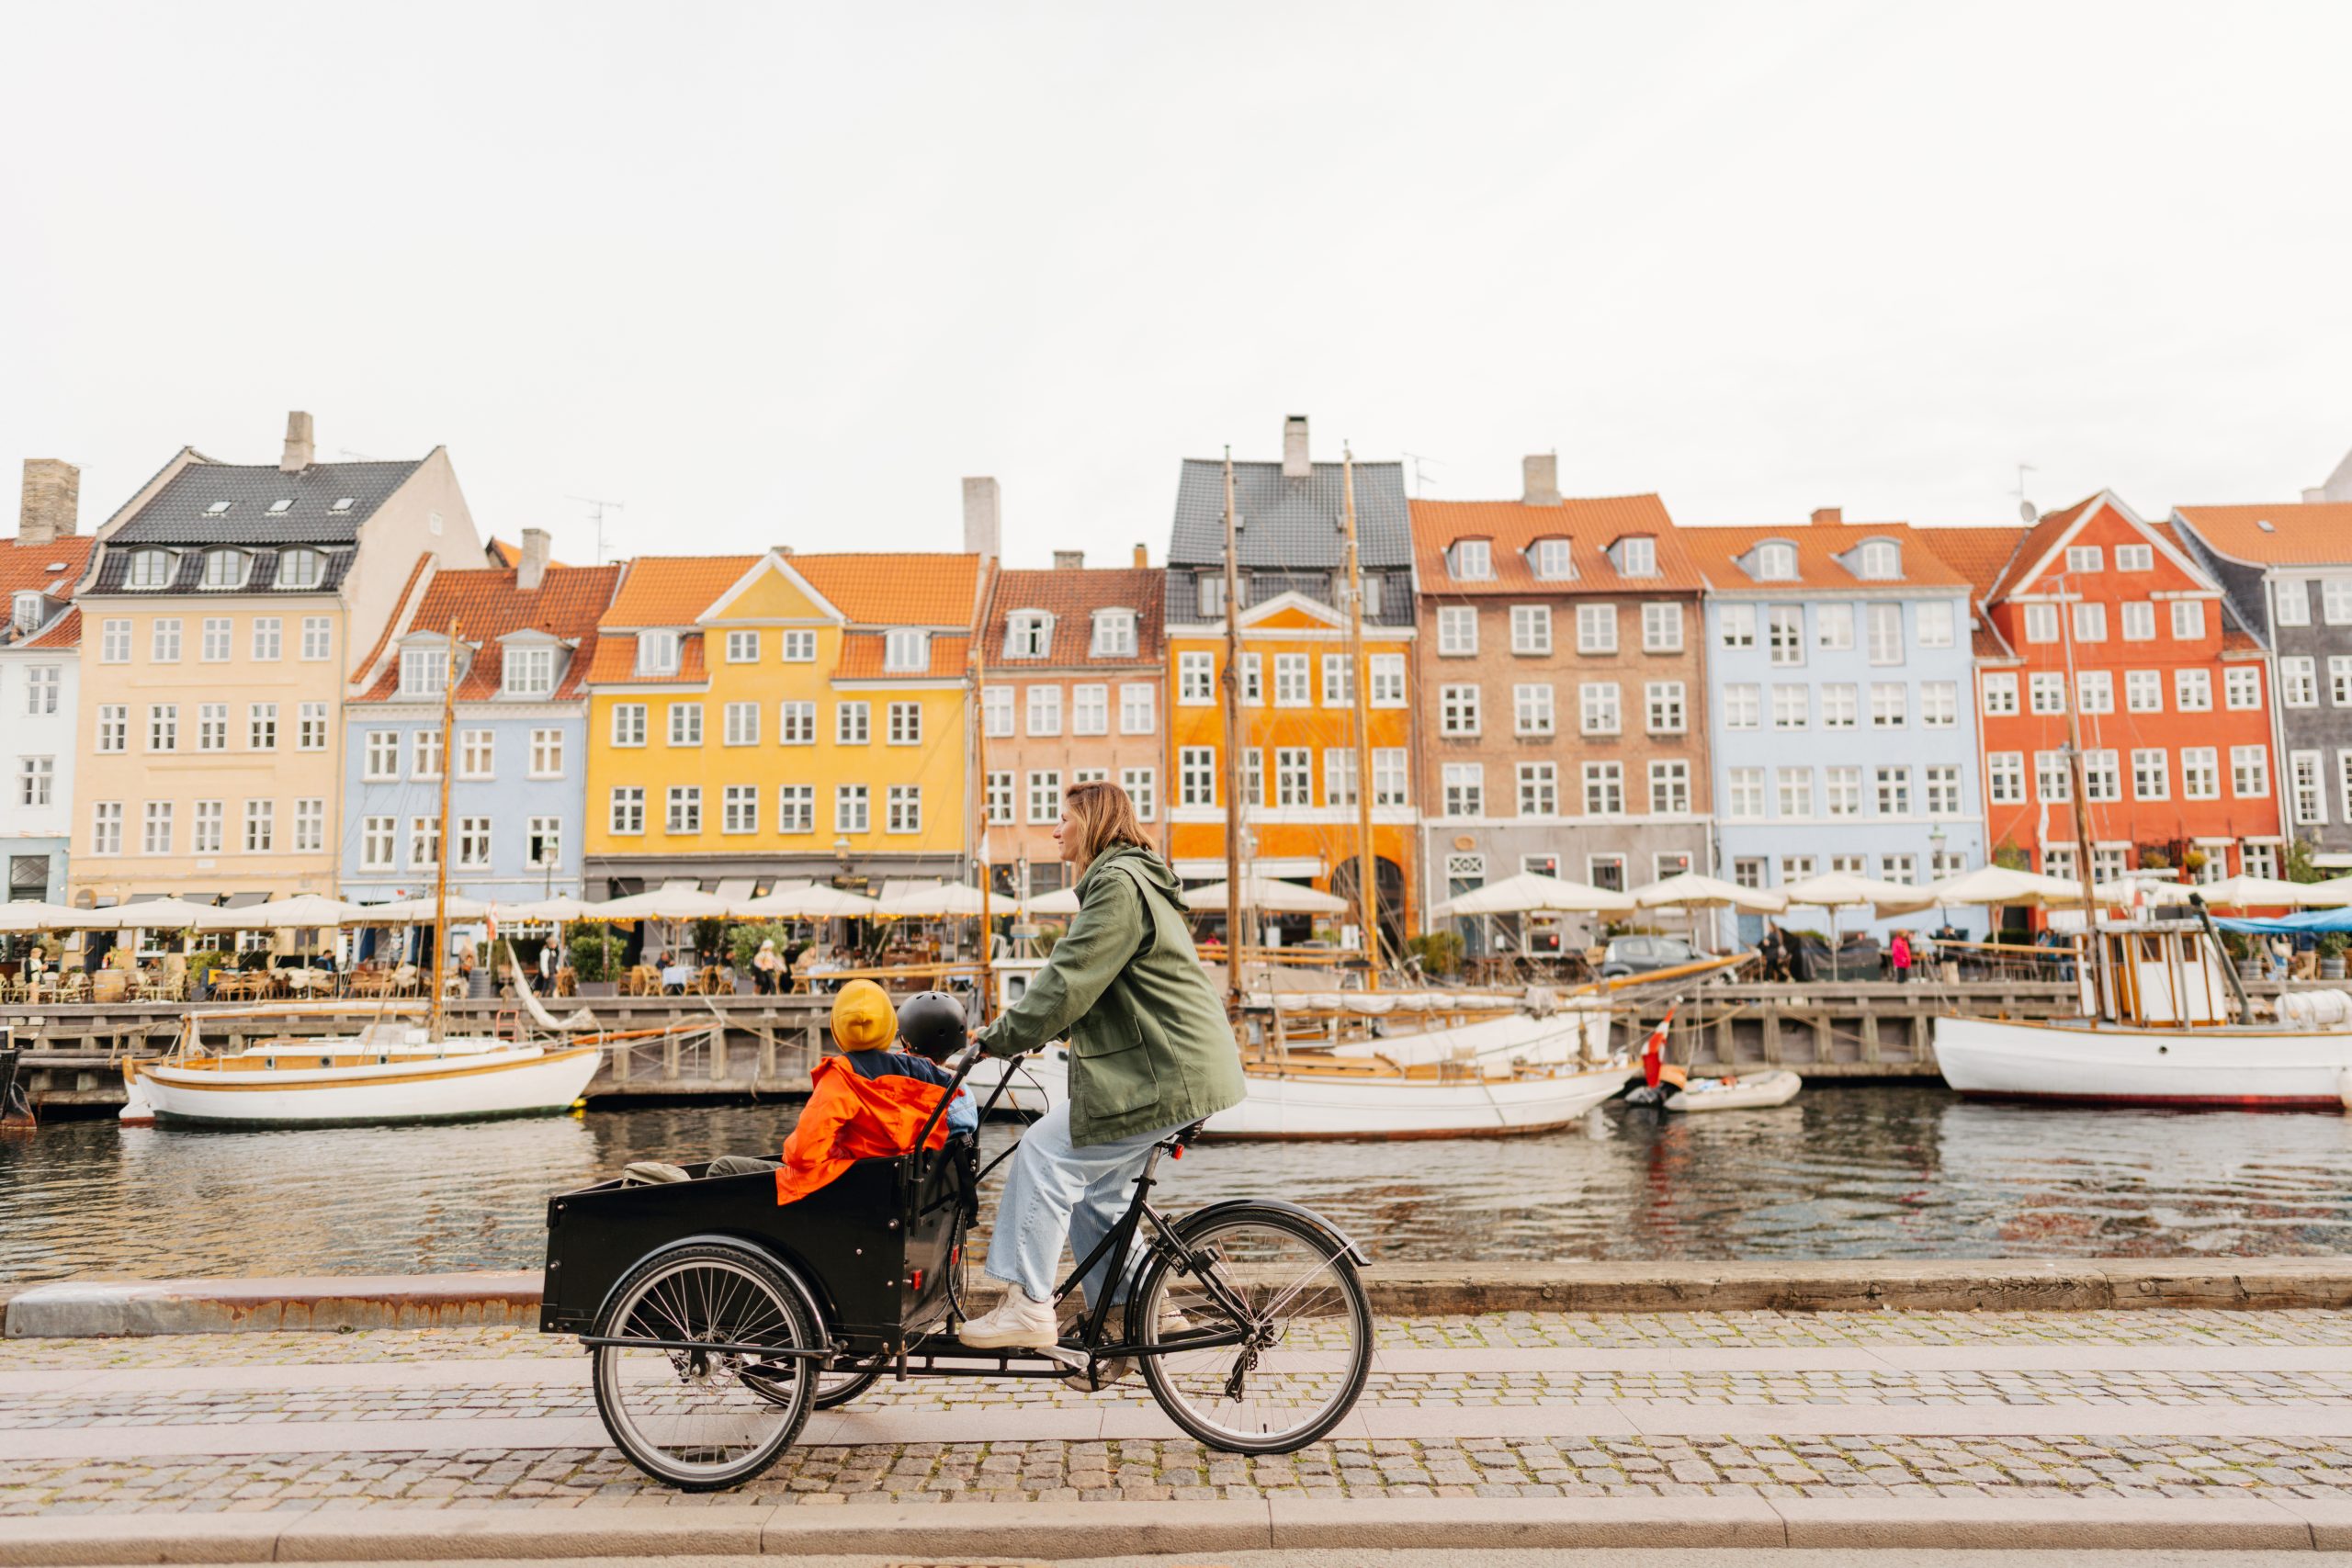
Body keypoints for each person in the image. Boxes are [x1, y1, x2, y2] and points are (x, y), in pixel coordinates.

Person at [958, 781, 1246, 1349]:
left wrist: (1002, 1037)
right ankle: (1136, 1313)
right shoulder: (1132, 879)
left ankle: (1027, 1303)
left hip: (1163, 1073)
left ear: (1091, 823)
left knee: (1044, 1152)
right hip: (1171, 1067)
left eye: (1063, 818)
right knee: (1098, 1197)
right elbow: (1103, 985)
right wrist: (1042, 1031)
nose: (1055, 830)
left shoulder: (1116, 885)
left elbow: (1069, 978)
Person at [775, 981, 977, 1205]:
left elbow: (803, 1153)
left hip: (845, 1188)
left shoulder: (843, 1075)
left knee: (728, 1168)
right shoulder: (943, 1089)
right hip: (907, 1193)